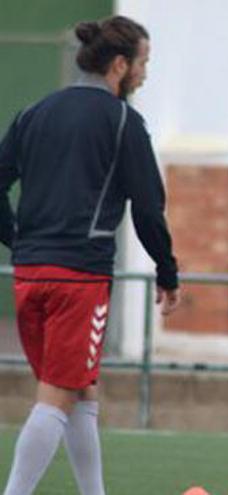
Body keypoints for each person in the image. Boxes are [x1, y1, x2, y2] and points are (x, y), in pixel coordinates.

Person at [0, 16, 180, 495]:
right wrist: (167, 271)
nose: (144, 73)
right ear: (119, 65)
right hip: (79, 280)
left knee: (80, 391)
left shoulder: (33, 112)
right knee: (57, 397)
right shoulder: (123, 121)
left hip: (29, 274)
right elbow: (148, 206)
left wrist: (18, 241)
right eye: (143, 63)